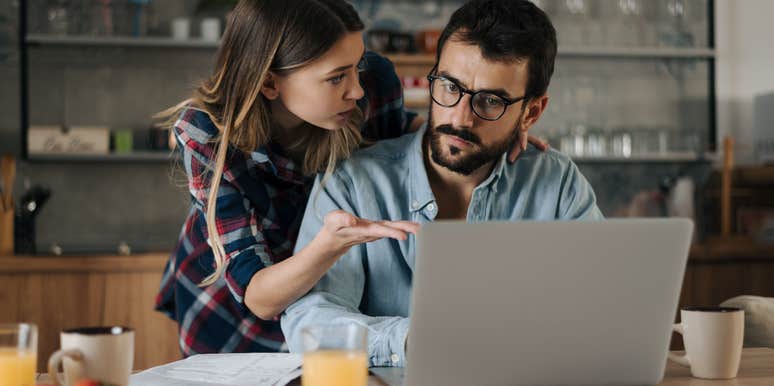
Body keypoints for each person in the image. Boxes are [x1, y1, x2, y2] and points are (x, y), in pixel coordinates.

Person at [154, 0, 549, 355]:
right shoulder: (209, 133)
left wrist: (494, 126)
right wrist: (327, 246)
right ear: (271, 82)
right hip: (238, 300)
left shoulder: (372, 83)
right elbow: (260, 298)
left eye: (356, 66)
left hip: (323, 285)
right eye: (337, 77)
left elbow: (407, 142)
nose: (357, 90)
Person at [281, 0, 604, 367]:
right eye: (450, 87)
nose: (460, 118)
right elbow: (309, 319)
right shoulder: (353, 181)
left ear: (530, 112)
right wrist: (408, 340)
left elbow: (600, 305)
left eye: (490, 101)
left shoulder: (556, 182)